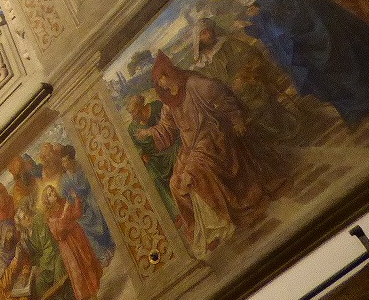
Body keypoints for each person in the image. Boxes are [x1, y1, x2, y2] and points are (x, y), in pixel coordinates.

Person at [219, 0, 369, 126]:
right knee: (326, 75)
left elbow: (297, 7)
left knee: (342, 61)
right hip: (300, 37)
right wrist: (250, 24)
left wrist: (264, 11)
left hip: (316, 28)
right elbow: (269, 26)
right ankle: (356, 105)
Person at [133, 52, 275, 257]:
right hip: (190, 146)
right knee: (175, 183)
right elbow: (166, 127)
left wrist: (236, 119)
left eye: (163, 77)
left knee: (193, 174)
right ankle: (204, 228)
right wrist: (149, 132)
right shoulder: (169, 103)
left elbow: (222, 96)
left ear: (171, 73)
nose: (162, 83)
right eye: (158, 81)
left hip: (211, 136)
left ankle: (219, 223)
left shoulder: (194, 85)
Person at [42, 185, 104, 300]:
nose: (53, 194)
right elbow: (59, 233)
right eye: (49, 194)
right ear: (46, 200)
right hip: (69, 248)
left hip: (78, 240)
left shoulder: (64, 202)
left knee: (88, 269)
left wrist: (76, 200)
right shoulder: (49, 216)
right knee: (78, 280)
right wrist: (64, 213)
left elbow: (77, 214)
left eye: (52, 191)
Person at [58, 145, 115, 266]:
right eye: (62, 162)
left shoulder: (83, 167)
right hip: (79, 207)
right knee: (81, 224)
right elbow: (65, 199)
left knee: (98, 206)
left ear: (72, 159)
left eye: (65, 161)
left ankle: (112, 239)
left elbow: (91, 183)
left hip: (91, 198)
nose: (63, 164)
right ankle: (102, 254)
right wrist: (73, 202)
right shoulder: (64, 180)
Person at [125, 94, 179, 217]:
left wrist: (151, 132)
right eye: (131, 113)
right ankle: (175, 212)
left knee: (179, 160)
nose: (132, 116)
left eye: (134, 112)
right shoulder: (132, 128)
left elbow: (170, 124)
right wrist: (142, 154)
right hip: (153, 157)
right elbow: (134, 147)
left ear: (140, 107)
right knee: (153, 177)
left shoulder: (157, 107)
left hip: (170, 146)